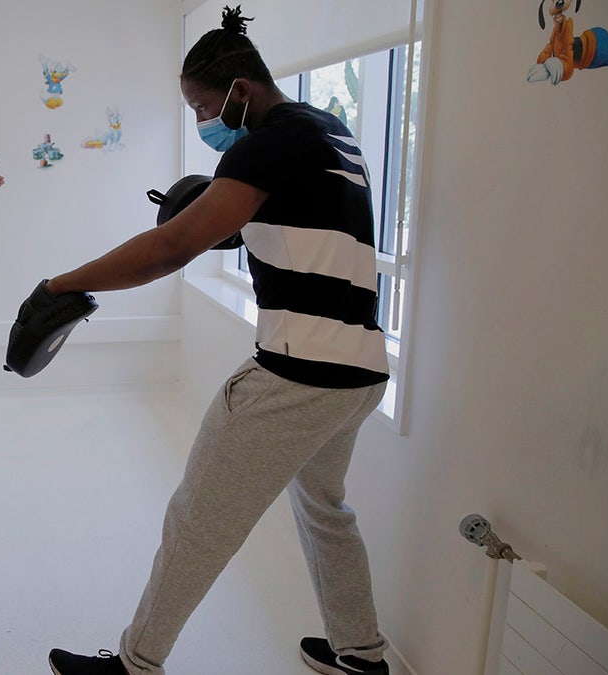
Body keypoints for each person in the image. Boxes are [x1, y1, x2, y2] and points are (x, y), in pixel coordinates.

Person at [39, 7, 392, 675]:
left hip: (297, 376)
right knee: (326, 508)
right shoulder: (332, 131)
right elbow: (306, 229)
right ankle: (362, 653)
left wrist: (62, 284)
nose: (204, 121)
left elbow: (170, 247)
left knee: (197, 521)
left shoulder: (271, 139)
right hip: (360, 372)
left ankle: (134, 663)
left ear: (240, 90)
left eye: (203, 105)